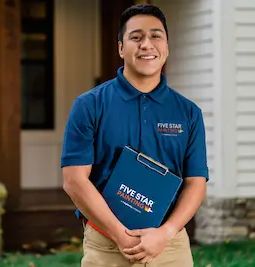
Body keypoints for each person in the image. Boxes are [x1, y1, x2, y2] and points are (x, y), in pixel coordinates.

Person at [61, 4, 208, 267]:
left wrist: (165, 233)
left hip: (170, 247)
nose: (146, 44)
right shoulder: (89, 106)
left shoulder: (189, 113)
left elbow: (196, 183)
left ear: (167, 46)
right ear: (121, 48)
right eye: (136, 37)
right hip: (106, 244)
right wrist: (120, 236)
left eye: (155, 36)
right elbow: (74, 181)